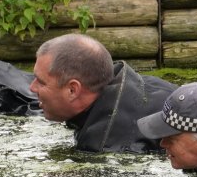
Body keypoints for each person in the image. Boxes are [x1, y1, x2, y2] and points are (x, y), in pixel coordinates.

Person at [31, 34, 175, 153]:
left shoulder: (107, 144)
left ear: (72, 90)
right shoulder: (135, 83)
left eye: (41, 82)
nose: (32, 88)